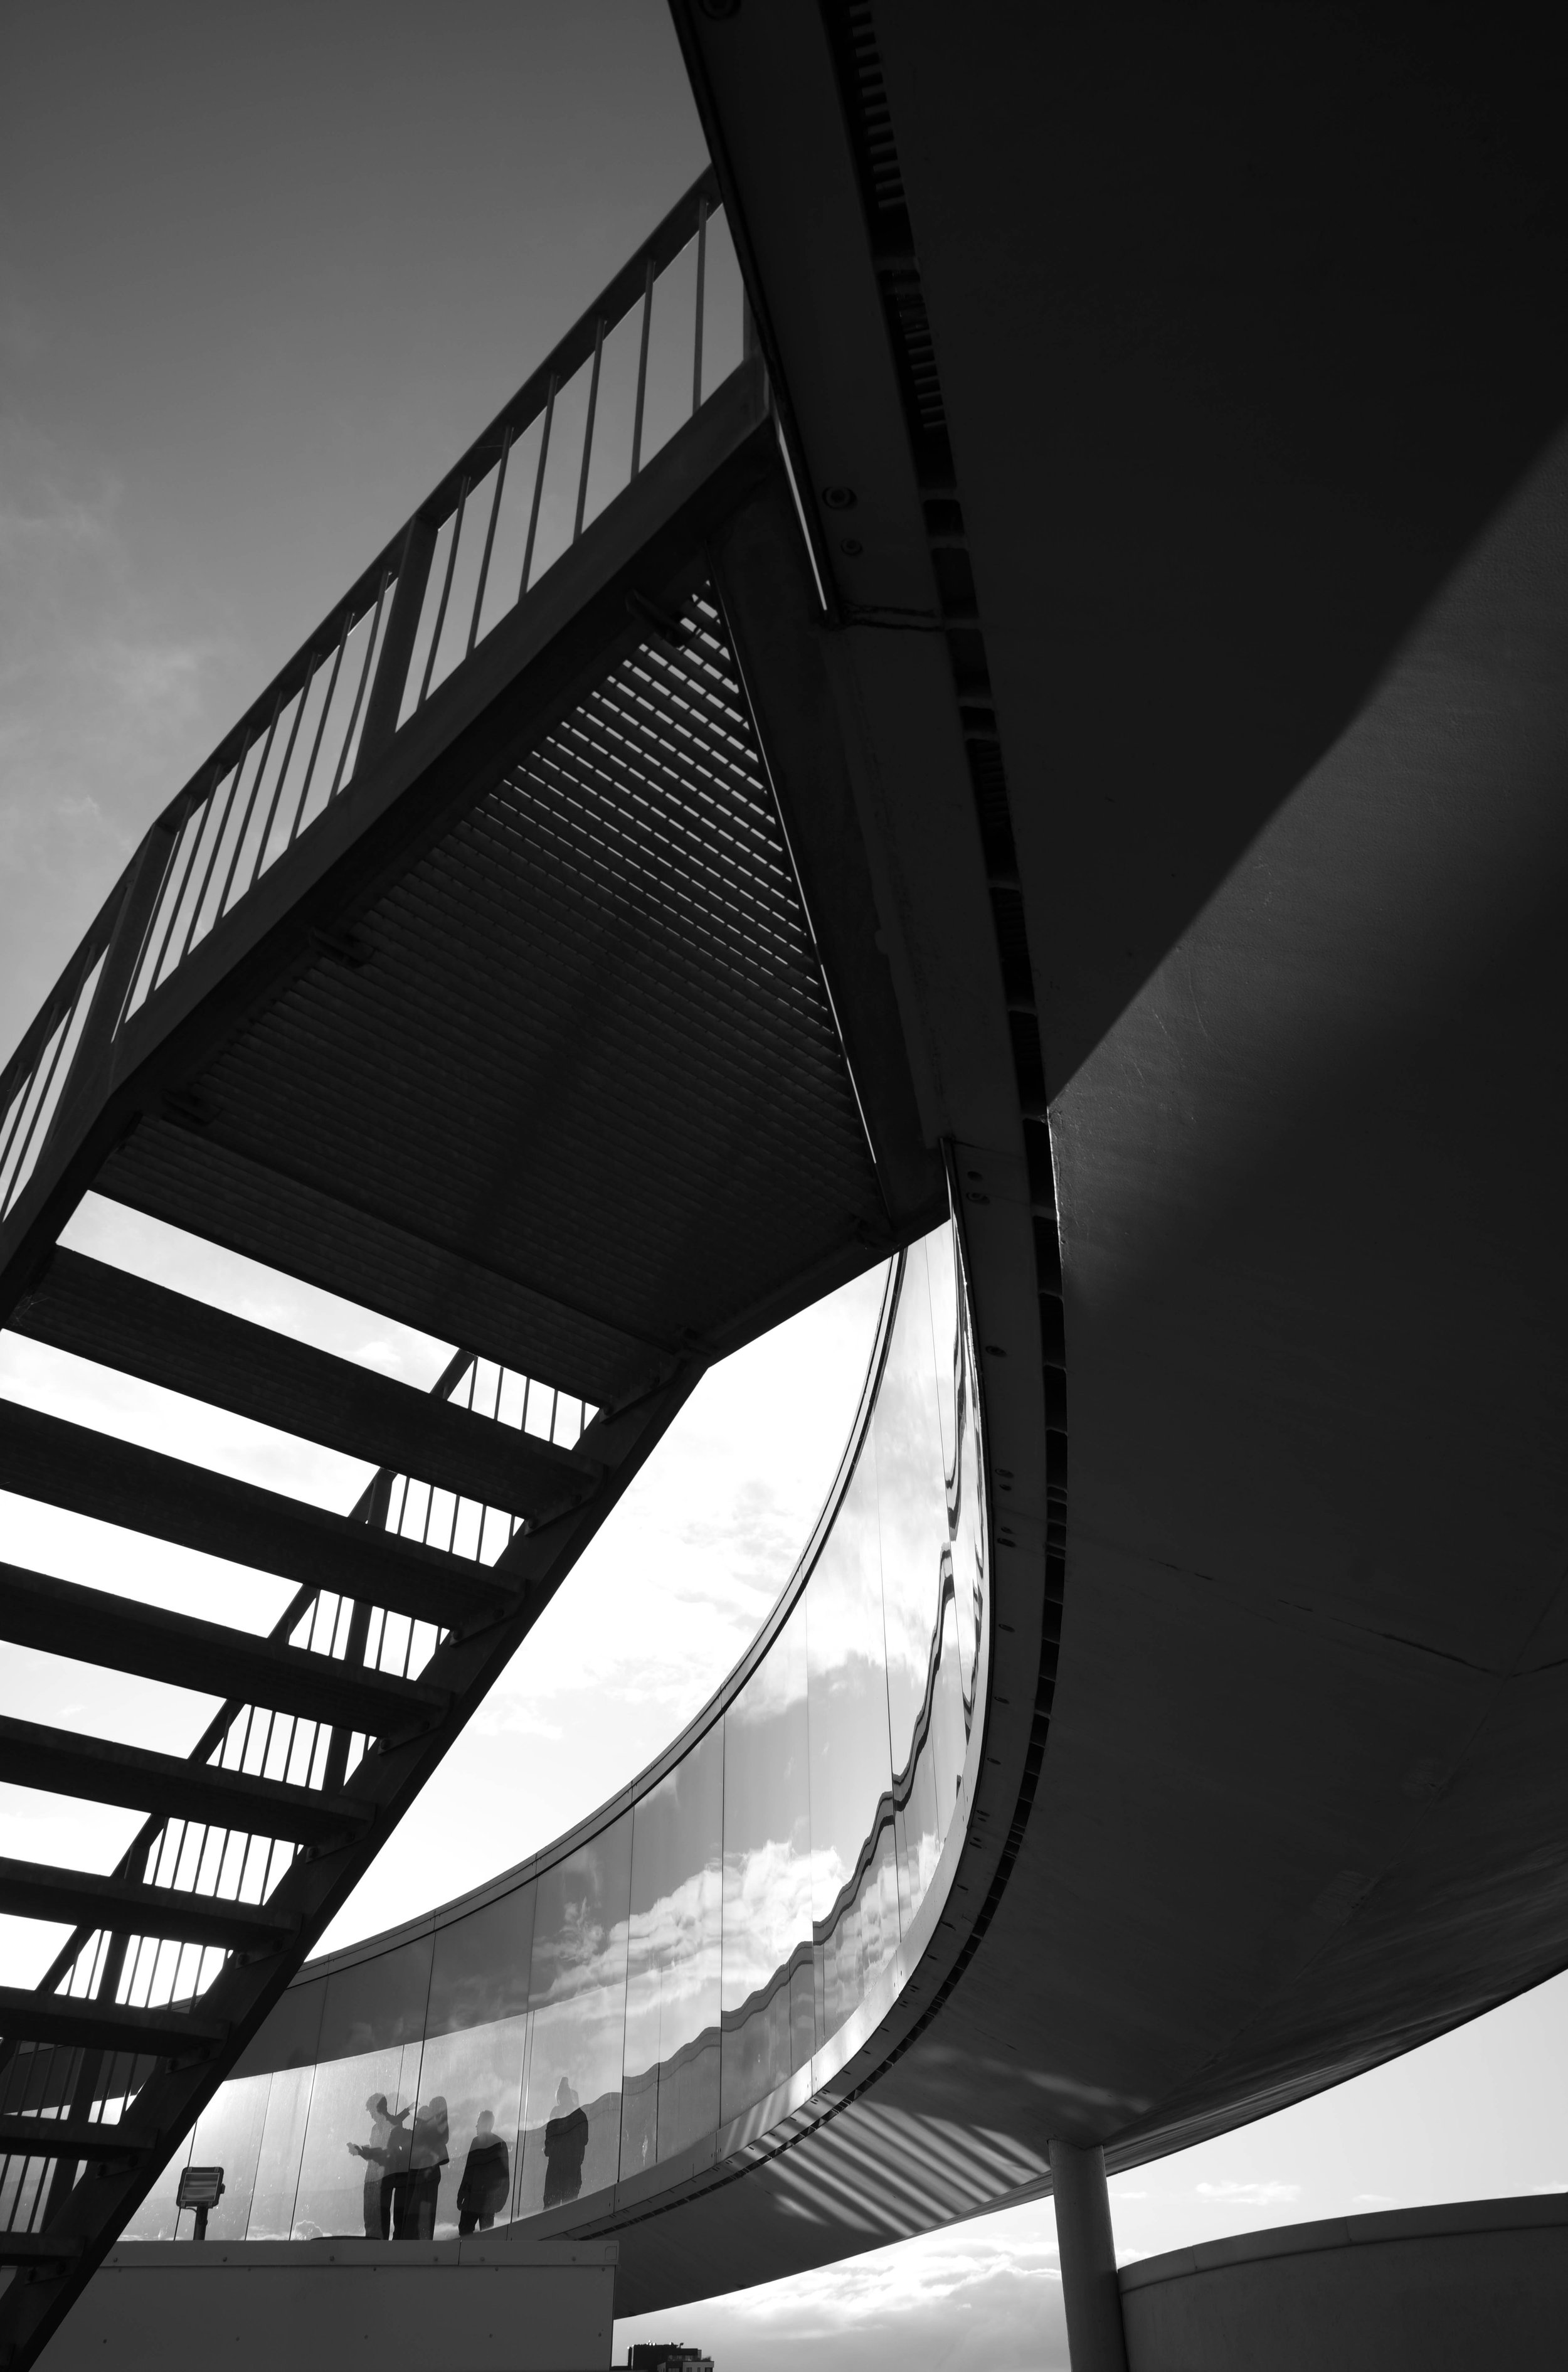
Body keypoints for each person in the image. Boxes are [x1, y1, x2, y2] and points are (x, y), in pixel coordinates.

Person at [346, 2094, 410, 2240]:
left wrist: (361, 2151)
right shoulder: (379, 2127)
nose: (371, 2116)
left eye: (371, 2112)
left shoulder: (391, 2124)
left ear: (379, 2109)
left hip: (383, 2177)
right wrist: (361, 2150)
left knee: (378, 2218)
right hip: (376, 2177)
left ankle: (379, 2248)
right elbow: (377, 2149)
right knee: (374, 2219)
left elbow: (385, 2151)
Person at [456, 2109, 511, 2235]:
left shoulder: (491, 2144)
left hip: (477, 2201)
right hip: (483, 2202)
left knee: (469, 2235)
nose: (476, 2125)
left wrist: (461, 2196)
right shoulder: (497, 2144)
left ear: (485, 2123)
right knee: (485, 2237)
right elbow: (504, 2176)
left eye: (479, 2122)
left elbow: (469, 2172)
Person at [542, 2076, 588, 2209]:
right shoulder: (564, 2113)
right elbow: (549, 2140)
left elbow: (582, 2141)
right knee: (558, 2208)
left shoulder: (578, 2115)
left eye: (565, 2092)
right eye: (561, 2092)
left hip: (567, 2168)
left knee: (562, 2208)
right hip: (561, 2168)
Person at [408, 2094, 450, 2239]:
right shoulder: (439, 2128)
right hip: (428, 2172)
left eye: (432, 2106)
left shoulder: (433, 2127)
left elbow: (418, 2140)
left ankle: (417, 2245)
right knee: (423, 2216)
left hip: (426, 2172)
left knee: (420, 2215)